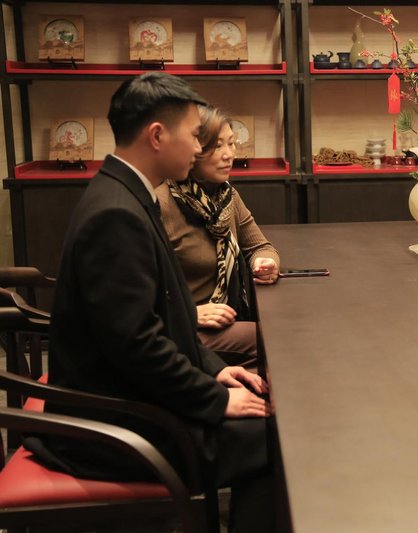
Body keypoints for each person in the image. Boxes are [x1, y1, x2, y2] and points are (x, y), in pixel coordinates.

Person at [27, 72, 279, 531]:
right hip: (115, 428)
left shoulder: (125, 193)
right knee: (274, 439)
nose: (199, 148)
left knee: (265, 420)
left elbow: (165, 318)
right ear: (157, 136)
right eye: (194, 135)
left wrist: (214, 369)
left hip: (134, 402)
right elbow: (138, 346)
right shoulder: (116, 213)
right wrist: (214, 399)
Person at [156, 106, 280, 368]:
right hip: (181, 329)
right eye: (216, 146)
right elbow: (142, 297)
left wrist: (265, 263)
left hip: (224, 319)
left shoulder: (225, 196)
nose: (229, 155)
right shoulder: (161, 205)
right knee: (275, 341)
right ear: (193, 151)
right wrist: (191, 313)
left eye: (232, 143)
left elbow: (260, 246)